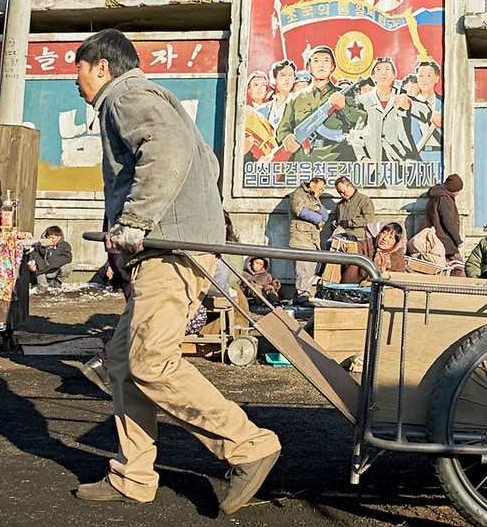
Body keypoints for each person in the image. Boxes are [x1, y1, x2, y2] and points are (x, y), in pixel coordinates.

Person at [71, 29, 280, 513]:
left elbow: (166, 152)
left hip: (168, 251)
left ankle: (249, 446)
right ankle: (133, 475)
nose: (74, 79)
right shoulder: (155, 97)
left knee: (150, 362)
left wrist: (135, 222)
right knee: (122, 366)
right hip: (179, 245)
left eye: (78, 68)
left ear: (102, 66)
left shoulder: (125, 96)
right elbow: (204, 161)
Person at [275, 45, 364, 162]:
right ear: (309, 67)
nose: (321, 65)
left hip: (338, 161)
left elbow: (362, 120)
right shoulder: (295, 99)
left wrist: (345, 107)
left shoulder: (345, 95)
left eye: (326, 61)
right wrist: (287, 139)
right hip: (305, 162)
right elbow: (282, 129)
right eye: (316, 61)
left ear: (332, 67)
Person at [286, 177, 330, 305]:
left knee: (310, 270)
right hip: (300, 239)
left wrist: (317, 207)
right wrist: (318, 219)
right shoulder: (298, 194)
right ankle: (302, 296)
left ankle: (303, 295)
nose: (321, 191)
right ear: (312, 184)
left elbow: (325, 215)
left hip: (313, 241)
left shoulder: (315, 198)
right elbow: (300, 211)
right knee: (302, 270)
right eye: (320, 188)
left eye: (323, 189)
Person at [341, 222, 410, 283]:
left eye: (391, 237)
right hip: (355, 288)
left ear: (396, 243)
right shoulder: (368, 244)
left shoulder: (398, 258)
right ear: (379, 233)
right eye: (384, 233)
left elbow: (396, 282)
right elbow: (356, 246)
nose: (385, 238)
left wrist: (383, 274)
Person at [423, 174, 465, 267]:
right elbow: (447, 221)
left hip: (439, 239)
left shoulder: (438, 195)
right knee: (458, 267)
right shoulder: (444, 198)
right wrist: (458, 240)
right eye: (458, 190)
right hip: (444, 240)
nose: (458, 193)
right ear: (453, 189)